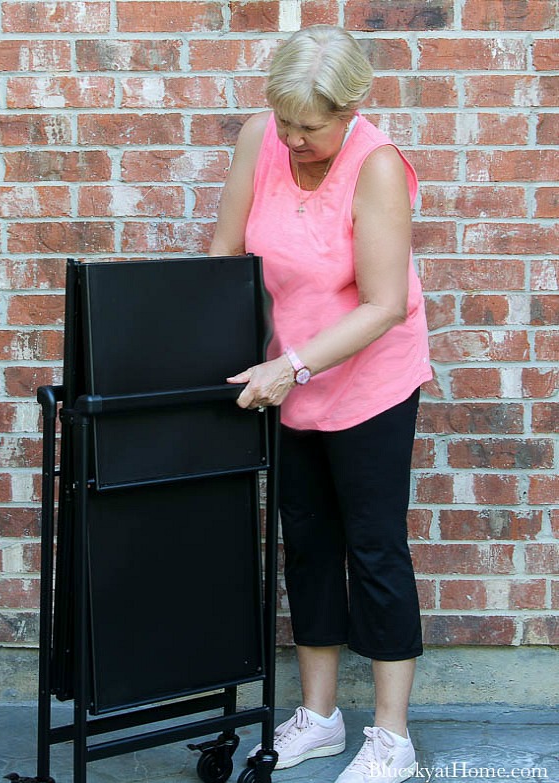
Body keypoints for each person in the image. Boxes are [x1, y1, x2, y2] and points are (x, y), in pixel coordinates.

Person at [209, 24, 433, 783]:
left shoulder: (376, 167)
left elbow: (385, 304)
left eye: (311, 126)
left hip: (368, 379)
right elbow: (225, 256)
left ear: (352, 108)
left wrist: (291, 366)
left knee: (373, 547)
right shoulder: (260, 139)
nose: (294, 139)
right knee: (305, 543)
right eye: (285, 122)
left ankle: (392, 733)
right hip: (289, 380)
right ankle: (321, 714)